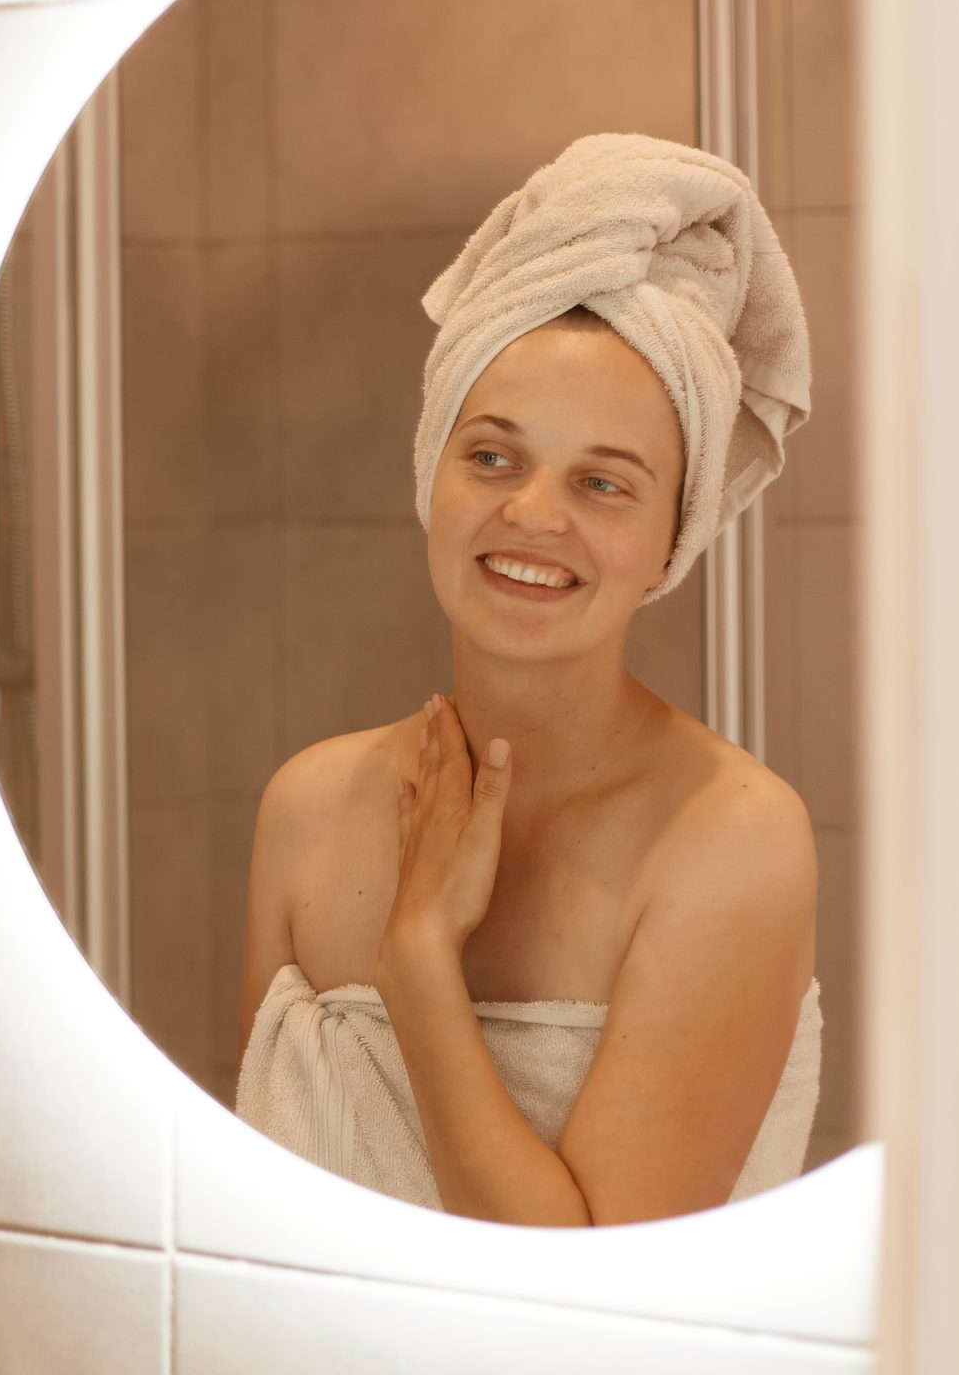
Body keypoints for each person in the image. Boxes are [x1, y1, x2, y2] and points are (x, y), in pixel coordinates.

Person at [234, 133, 823, 1227]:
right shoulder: (307, 812)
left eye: (604, 483)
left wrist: (418, 962)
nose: (533, 515)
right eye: (493, 456)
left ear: (671, 541)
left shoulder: (731, 842)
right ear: (432, 475)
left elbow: (582, 1306)